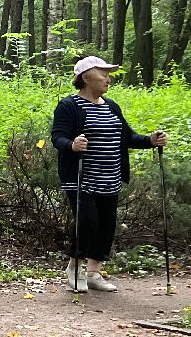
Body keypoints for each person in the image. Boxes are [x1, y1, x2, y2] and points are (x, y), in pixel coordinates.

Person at [50, 56, 168, 292]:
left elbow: (128, 137)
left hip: (110, 177)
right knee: (87, 222)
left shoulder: (111, 106)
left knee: (106, 225)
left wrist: (150, 140)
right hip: (81, 178)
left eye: (108, 73)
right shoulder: (69, 105)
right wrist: (72, 144)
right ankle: (74, 267)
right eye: (102, 72)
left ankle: (93, 273)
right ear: (85, 77)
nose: (108, 77)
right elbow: (57, 136)